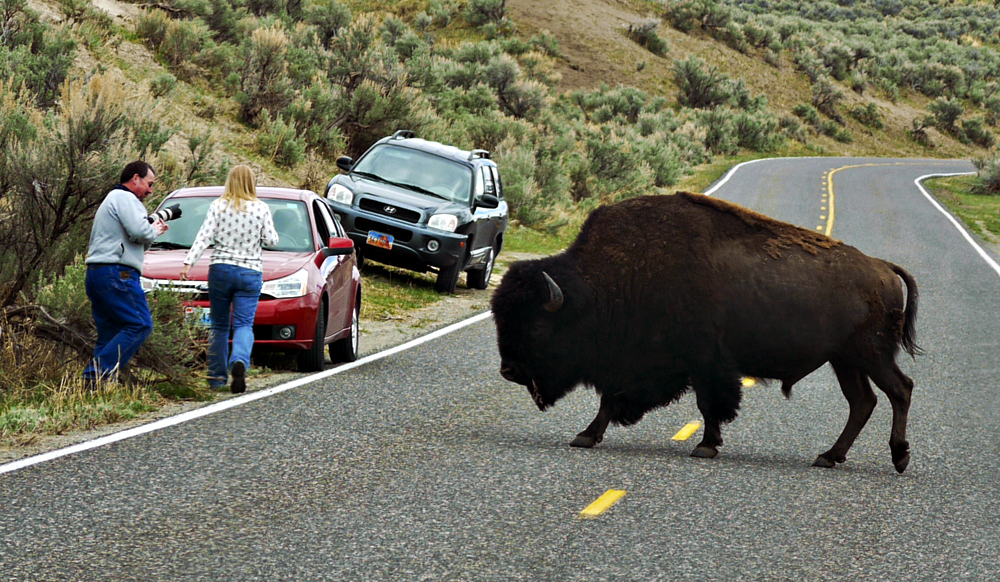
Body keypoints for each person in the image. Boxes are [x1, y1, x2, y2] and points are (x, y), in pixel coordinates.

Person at [180, 165, 279, 393]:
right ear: (251, 183)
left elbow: (204, 235)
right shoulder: (261, 209)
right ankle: (240, 361)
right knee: (244, 323)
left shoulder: (218, 206)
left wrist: (189, 262)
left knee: (219, 325)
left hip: (221, 269)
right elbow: (272, 240)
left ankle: (216, 377)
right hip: (249, 271)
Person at [83, 160, 167, 386]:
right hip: (117, 273)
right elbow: (139, 231)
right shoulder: (125, 198)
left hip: (97, 273)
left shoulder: (113, 199)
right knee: (140, 324)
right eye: (149, 184)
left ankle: (96, 387)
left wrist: (150, 233)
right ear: (135, 178)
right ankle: (94, 374)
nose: (150, 191)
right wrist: (153, 229)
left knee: (109, 333)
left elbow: (136, 240)